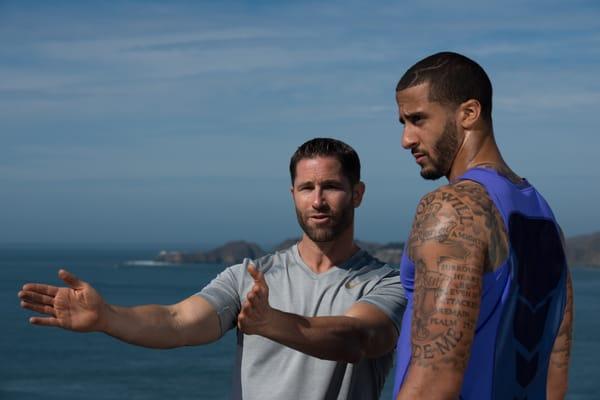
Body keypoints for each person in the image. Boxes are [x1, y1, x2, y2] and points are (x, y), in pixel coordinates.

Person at [18, 137, 406, 400]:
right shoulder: (251, 275)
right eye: (307, 188)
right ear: (293, 195)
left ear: (357, 193)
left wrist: (270, 322)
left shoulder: (384, 283)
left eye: (331, 187)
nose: (317, 200)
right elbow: (178, 320)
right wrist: (108, 318)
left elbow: (357, 339)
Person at [391, 52, 573, 400]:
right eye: (403, 122)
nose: (406, 139)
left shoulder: (452, 209)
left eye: (417, 120)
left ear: (469, 113)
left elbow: (434, 382)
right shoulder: (545, 217)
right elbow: (556, 370)